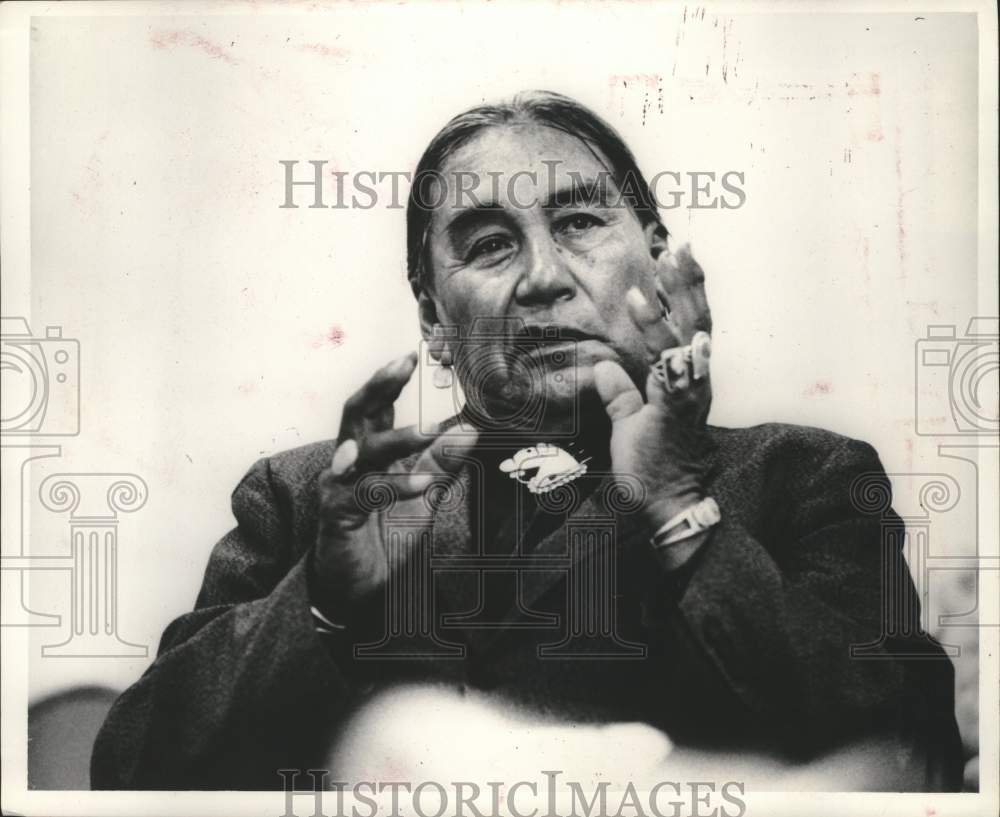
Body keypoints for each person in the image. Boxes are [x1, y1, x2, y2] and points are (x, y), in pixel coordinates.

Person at [91, 90, 962, 791]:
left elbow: (908, 760)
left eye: (580, 223)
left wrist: (681, 508)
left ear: (658, 260)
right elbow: (131, 775)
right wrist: (324, 597)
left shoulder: (799, 476)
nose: (544, 278)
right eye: (490, 244)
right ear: (433, 317)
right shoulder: (308, 501)